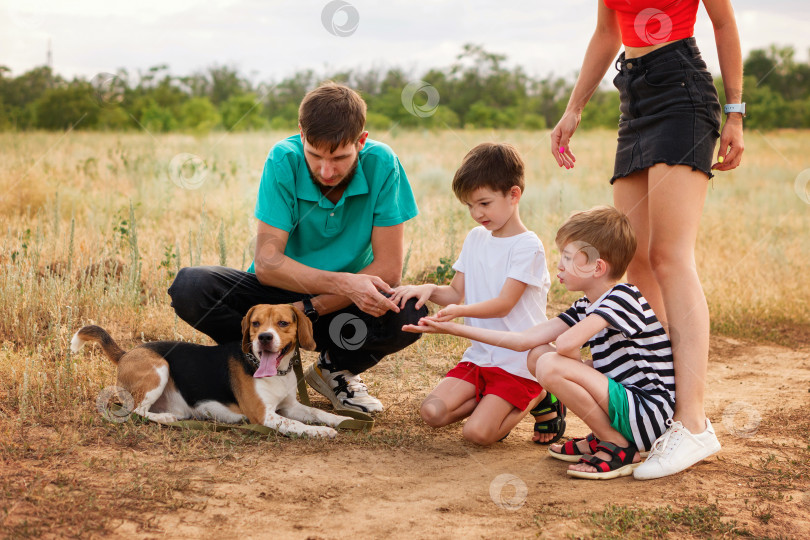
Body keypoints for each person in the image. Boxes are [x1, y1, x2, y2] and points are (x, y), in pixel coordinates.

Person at [548, 0, 744, 479]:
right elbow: (605, 33)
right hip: (633, 95)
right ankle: (649, 418)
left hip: (682, 89)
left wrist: (736, 112)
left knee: (670, 257)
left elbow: (723, 21)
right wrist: (574, 109)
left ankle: (692, 423)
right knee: (633, 259)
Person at [168, 82, 427, 414]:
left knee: (410, 313)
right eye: (315, 155)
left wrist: (310, 308)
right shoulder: (283, 158)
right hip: (279, 296)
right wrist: (337, 286)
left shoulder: (383, 163)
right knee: (192, 286)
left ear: (361, 141)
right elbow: (268, 264)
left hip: (343, 306)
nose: (326, 171)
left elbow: (388, 270)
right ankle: (258, 367)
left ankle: (335, 369)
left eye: (340, 158)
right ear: (301, 135)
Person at [406, 206, 676, 480]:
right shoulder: (585, 305)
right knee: (538, 355)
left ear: (597, 267)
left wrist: (573, 370)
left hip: (648, 414)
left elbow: (567, 344)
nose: (559, 265)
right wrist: (453, 329)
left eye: (569, 258)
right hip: (626, 409)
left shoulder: (623, 296)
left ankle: (618, 447)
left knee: (549, 364)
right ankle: (605, 435)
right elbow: (524, 340)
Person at [391, 142, 560, 446]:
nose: (476, 213)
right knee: (432, 412)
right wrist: (428, 289)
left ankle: (542, 394)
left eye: (484, 203)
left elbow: (504, 305)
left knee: (477, 435)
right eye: (469, 206)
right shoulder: (476, 238)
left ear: (513, 194)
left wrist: (458, 314)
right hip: (482, 357)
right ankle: (493, 403)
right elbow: (456, 292)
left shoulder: (527, 245)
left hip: (519, 361)